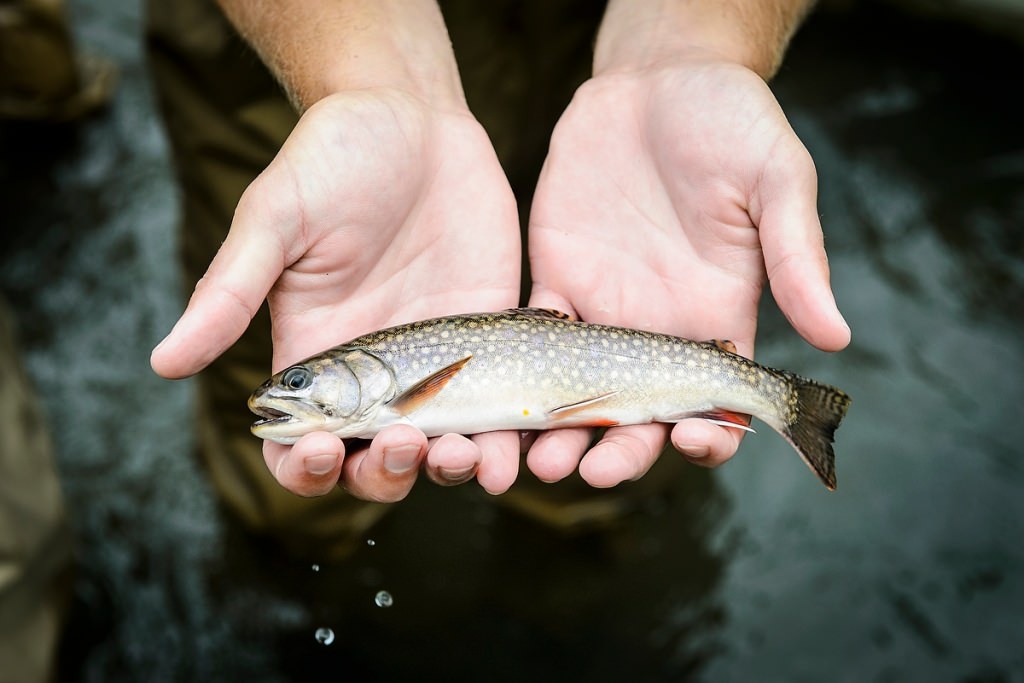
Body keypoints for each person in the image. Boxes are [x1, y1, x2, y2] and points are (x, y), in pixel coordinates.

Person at [147, 0, 850, 556]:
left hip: (599, 37)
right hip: (312, 34)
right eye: (298, 384)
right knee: (292, 456)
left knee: (598, 477)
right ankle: (296, 556)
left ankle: (581, 556)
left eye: (301, 383)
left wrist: (694, 45)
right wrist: (364, 79)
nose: (287, 390)